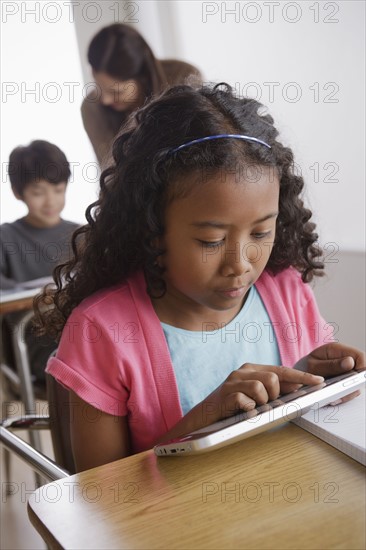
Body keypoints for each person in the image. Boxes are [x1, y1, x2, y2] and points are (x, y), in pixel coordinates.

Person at [36, 83, 365, 472]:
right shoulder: (101, 331)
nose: (240, 264)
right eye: (211, 240)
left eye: (261, 232)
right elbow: (101, 498)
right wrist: (205, 419)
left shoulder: (285, 289)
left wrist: (309, 376)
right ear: (151, 227)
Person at [1, 140, 79, 385]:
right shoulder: (6, 237)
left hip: (84, 331)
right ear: (17, 192)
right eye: (38, 192)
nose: (50, 201)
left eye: (58, 190)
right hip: (38, 344)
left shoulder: (83, 236)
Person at [81, 23, 202, 164]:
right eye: (99, 87)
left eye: (116, 92)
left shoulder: (183, 77)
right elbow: (112, 174)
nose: (105, 100)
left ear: (142, 77)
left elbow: (197, 149)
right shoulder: (92, 109)